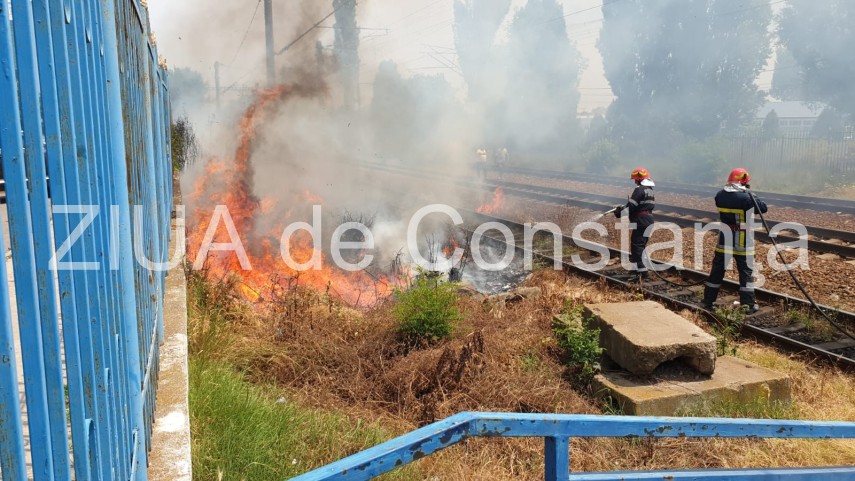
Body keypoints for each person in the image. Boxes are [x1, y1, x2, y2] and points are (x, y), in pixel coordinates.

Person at [701, 168, 768, 314]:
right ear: (744, 181)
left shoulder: (719, 195)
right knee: (745, 273)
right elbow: (763, 208)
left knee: (717, 271)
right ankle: (748, 305)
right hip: (742, 242)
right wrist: (751, 195)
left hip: (724, 240)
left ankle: (707, 301)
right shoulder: (746, 198)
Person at [614, 167, 656, 279]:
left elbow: (632, 206)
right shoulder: (650, 190)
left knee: (636, 247)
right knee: (641, 246)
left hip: (641, 221)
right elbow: (639, 205)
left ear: (638, 179)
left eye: (635, 180)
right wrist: (624, 207)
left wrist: (620, 212)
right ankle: (638, 270)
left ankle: (642, 273)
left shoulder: (639, 190)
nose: (634, 181)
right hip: (649, 220)